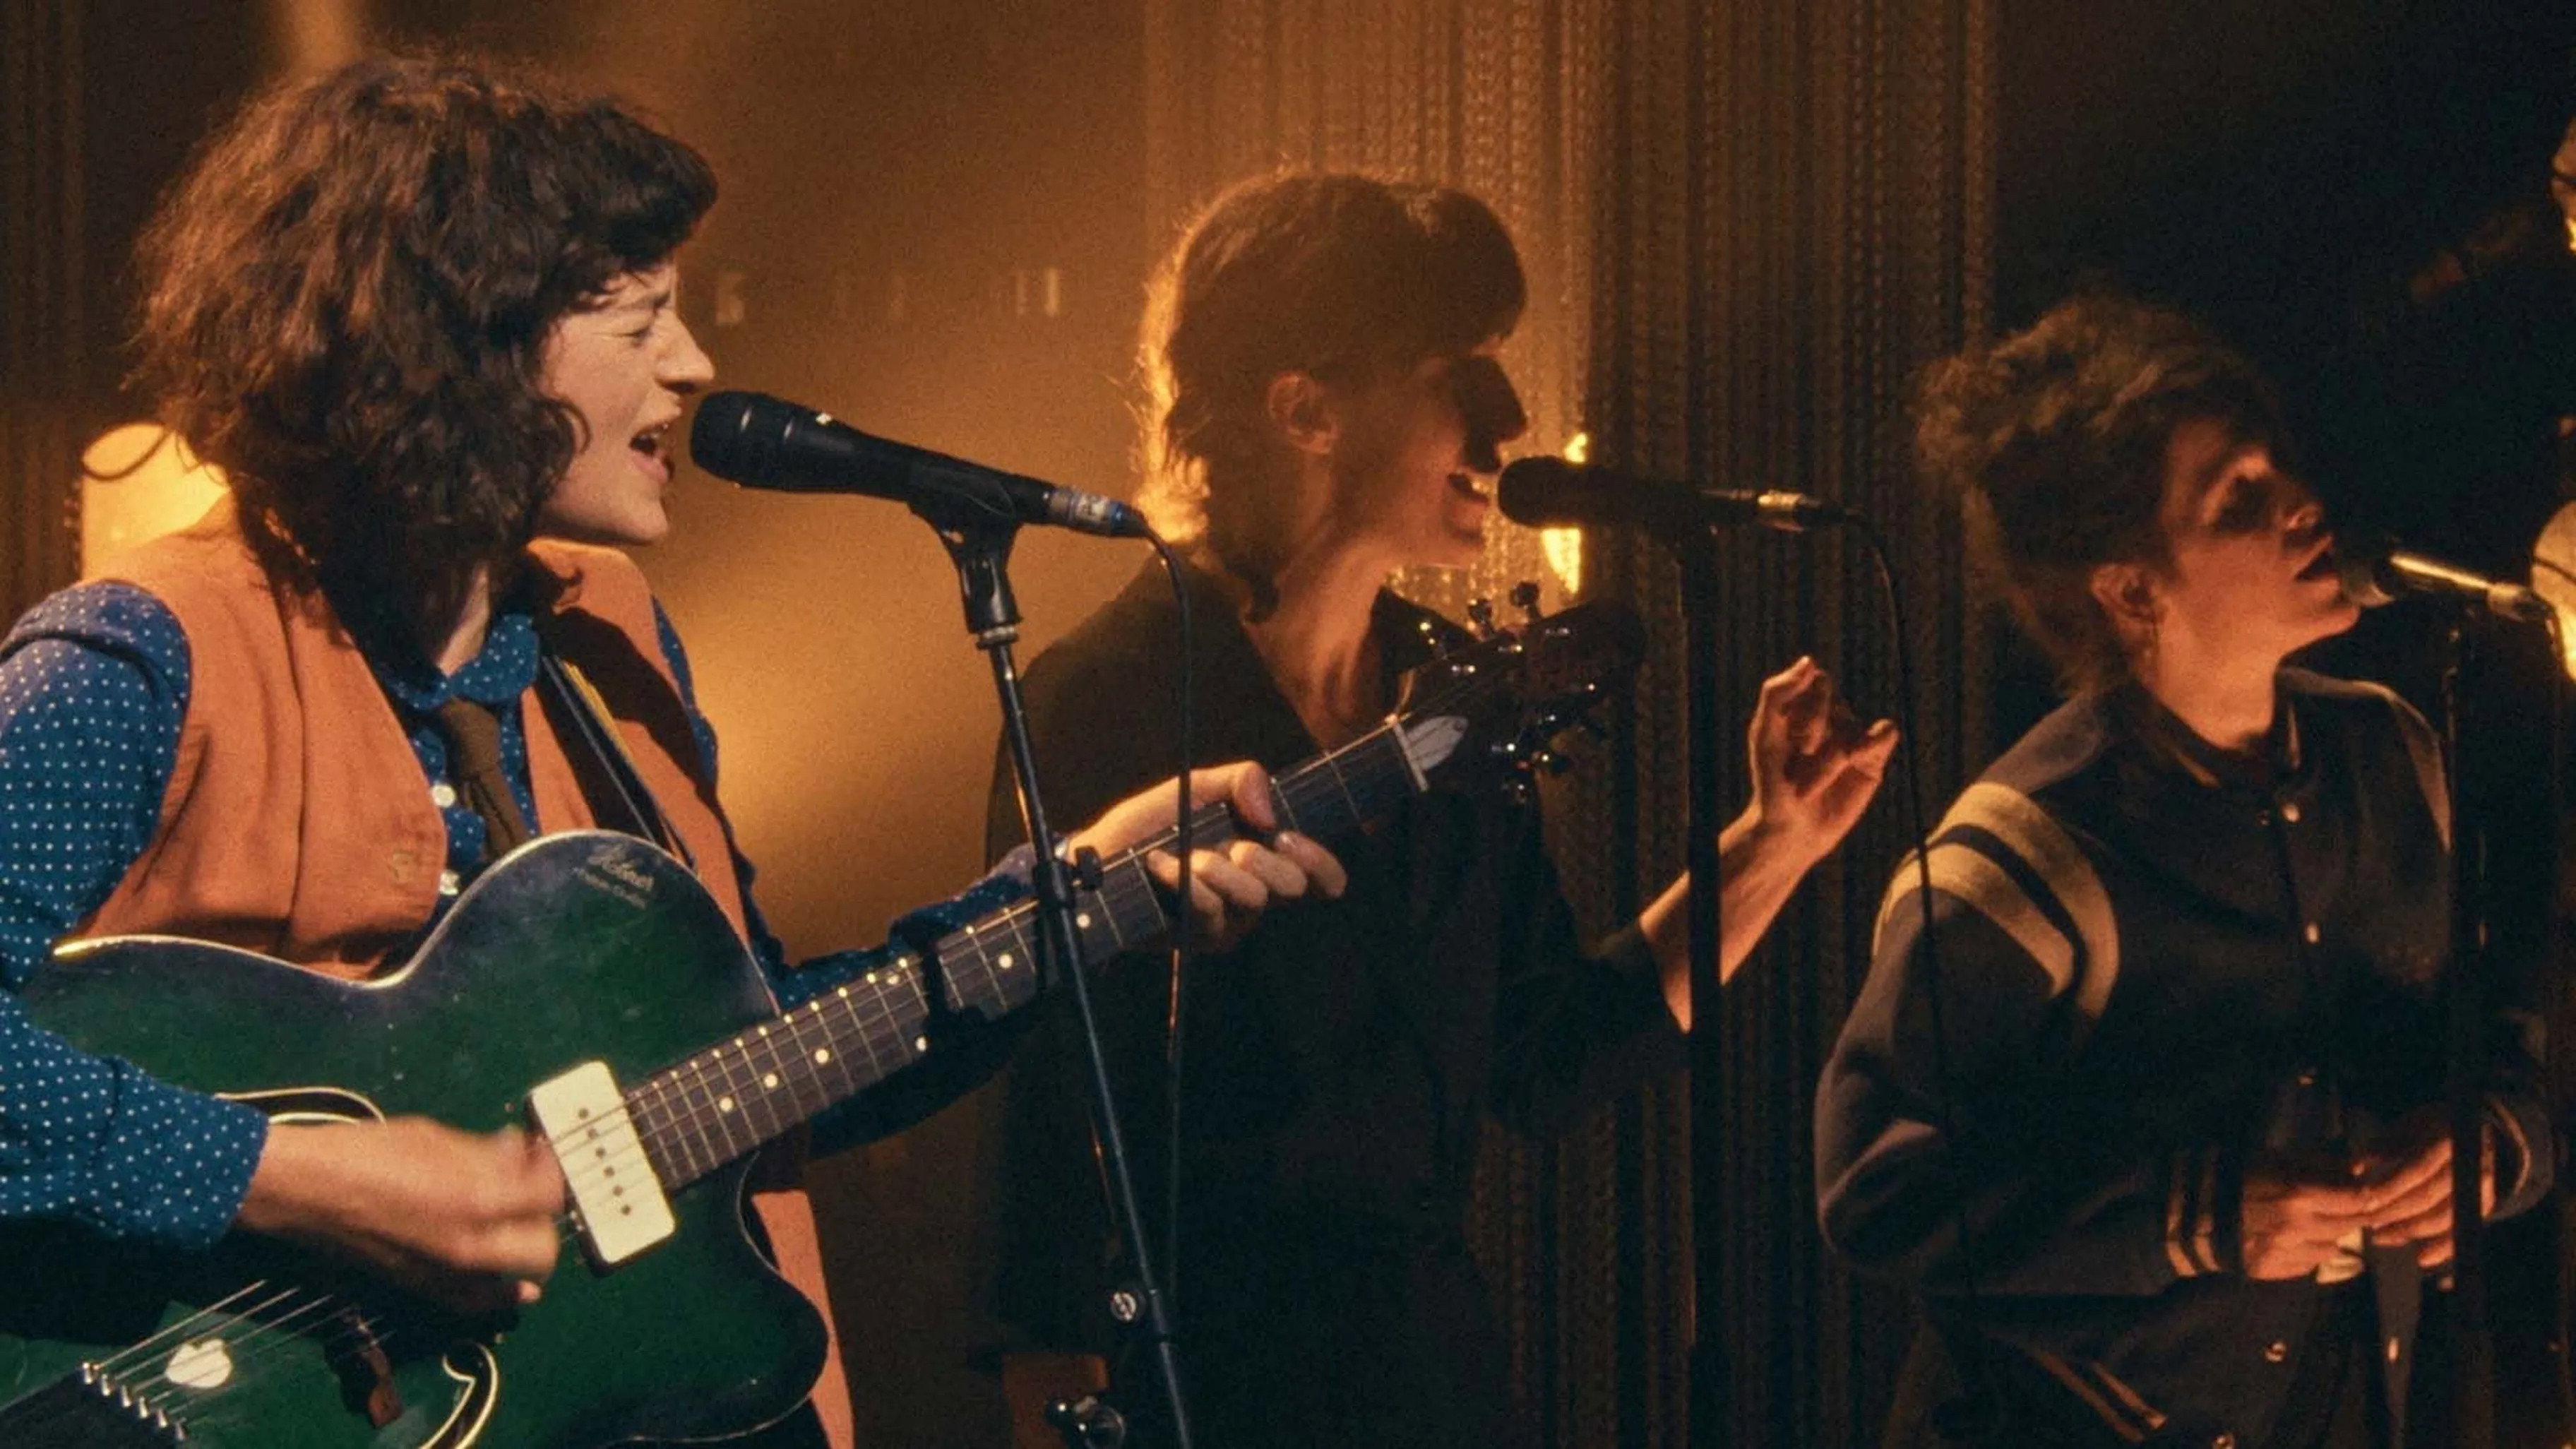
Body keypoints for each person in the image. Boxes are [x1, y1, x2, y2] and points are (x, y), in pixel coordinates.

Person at [0, 54, 1339, 1449]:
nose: (695, 366)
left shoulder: (610, 646)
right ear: (459, 346)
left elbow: (749, 1056)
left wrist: (1070, 895)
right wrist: (308, 1180)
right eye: (642, 320)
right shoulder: (145, 654)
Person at [984, 170, 1900, 1449]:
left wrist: (1774, 844)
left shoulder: (1456, 696)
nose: (1509, 424)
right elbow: (1039, 1118)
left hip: (1427, 1376)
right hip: (1199, 1380)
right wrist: (1055, 1395)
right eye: (1457, 374)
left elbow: (1549, 1055)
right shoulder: (1106, 697)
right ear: (1305, 408)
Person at [1815, 294, 2558, 1448]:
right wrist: (2195, 1215)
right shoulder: (2027, 853)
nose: (2304, 504)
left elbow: (2499, 1034)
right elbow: (1878, 1184)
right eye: (2239, 501)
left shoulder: (2392, 754)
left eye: (2279, 471)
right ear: (2130, 588)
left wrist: (2492, 1143)